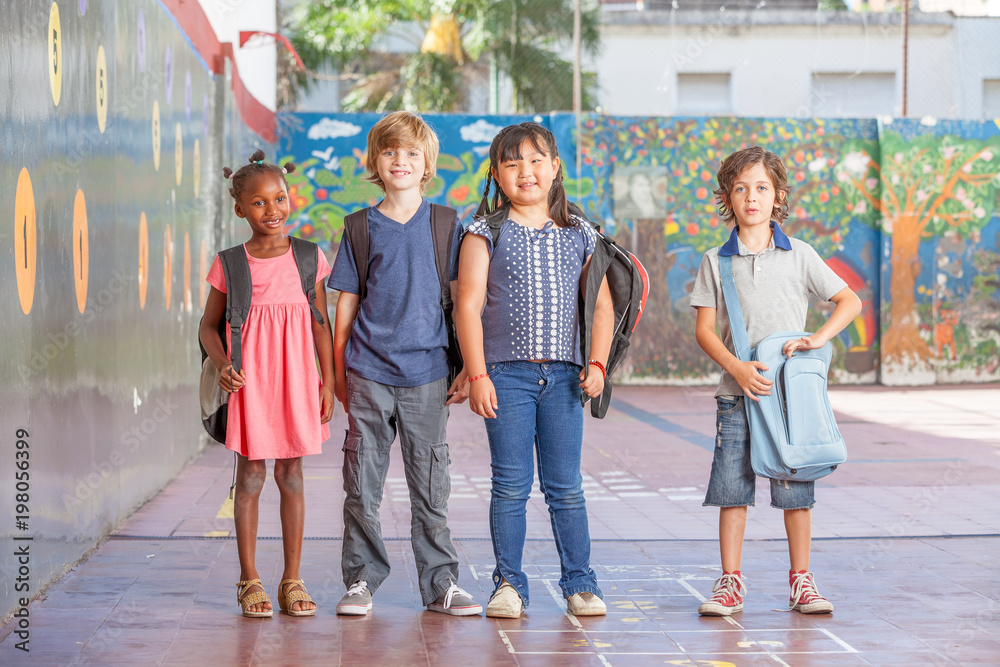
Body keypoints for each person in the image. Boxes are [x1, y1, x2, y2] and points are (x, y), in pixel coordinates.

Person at [689, 145, 862, 617]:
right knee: (732, 489)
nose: (752, 197)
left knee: (795, 488)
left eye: (761, 188)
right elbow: (704, 330)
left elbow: (849, 301)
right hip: (736, 396)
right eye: (741, 188)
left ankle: (801, 582)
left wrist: (817, 338)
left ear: (778, 196)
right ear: (728, 196)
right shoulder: (715, 261)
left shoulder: (800, 254)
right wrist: (738, 369)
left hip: (790, 400)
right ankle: (730, 583)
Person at [455, 122, 614, 619]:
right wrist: (478, 374)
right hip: (505, 376)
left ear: (555, 168)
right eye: (512, 162)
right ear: (497, 176)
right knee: (510, 484)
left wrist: (598, 363)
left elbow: (602, 306)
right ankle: (508, 585)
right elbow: (468, 305)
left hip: (567, 377)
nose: (526, 171)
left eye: (536, 159)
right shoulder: (484, 231)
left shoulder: (581, 232)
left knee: (566, 485)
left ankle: (581, 584)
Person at [328, 111, 482, 617]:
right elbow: (346, 304)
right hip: (368, 372)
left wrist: (466, 365)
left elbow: (462, 299)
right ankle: (361, 581)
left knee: (430, 484)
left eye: (412, 153)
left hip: (428, 374)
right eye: (391, 152)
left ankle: (440, 584)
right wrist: (338, 373)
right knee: (362, 484)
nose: (401, 161)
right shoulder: (358, 227)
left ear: (426, 164)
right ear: (375, 161)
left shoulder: (445, 224)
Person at [199, 149, 335, 618]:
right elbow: (207, 326)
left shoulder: (308, 257)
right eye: (259, 203)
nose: (272, 210)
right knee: (251, 476)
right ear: (240, 209)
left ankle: (292, 579)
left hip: (297, 380)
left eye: (279, 198)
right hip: (250, 384)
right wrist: (221, 363)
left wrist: (328, 382)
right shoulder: (231, 264)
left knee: (292, 475)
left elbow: (321, 323)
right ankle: (249, 579)